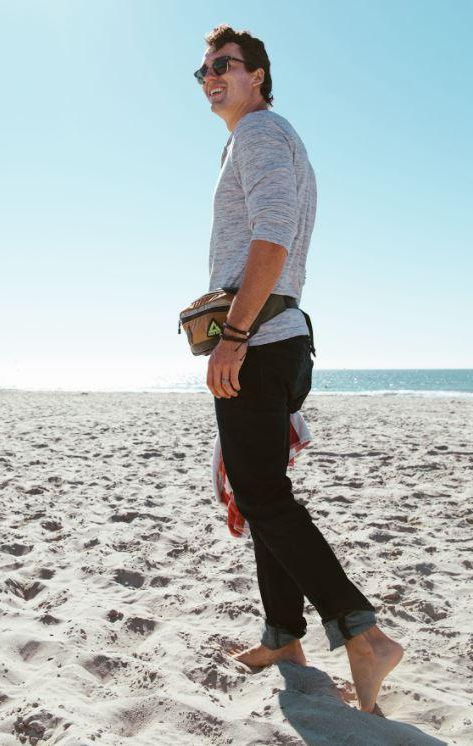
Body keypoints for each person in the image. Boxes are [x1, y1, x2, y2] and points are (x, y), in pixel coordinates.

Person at [195, 23, 404, 714]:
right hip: (272, 338)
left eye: (223, 64)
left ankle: (364, 634)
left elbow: (273, 235)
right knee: (260, 493)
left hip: (259, 341)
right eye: (202, 71)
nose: (210, 77)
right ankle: (285, 637)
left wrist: (234, 335)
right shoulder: (250, 138)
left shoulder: (259, 132)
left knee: (263, 496)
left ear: (258, 73)